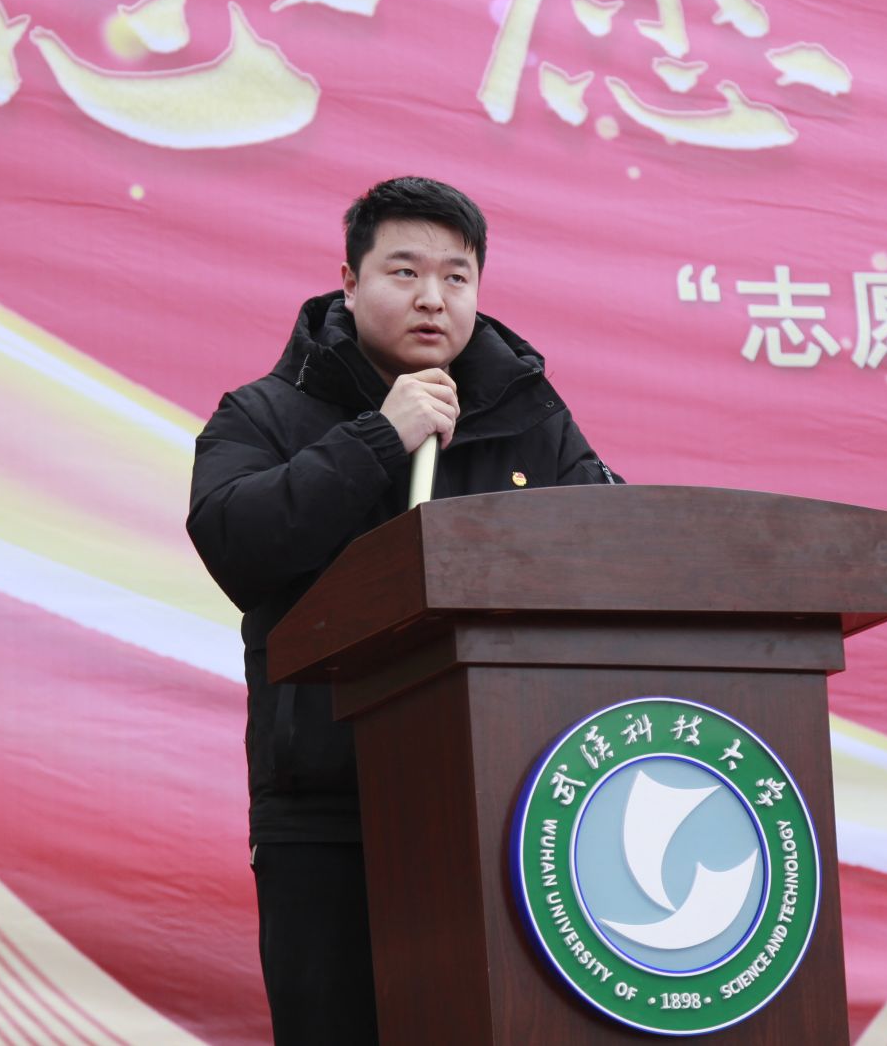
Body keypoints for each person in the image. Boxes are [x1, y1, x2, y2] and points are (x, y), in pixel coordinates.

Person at [186, 176, 618, 1043]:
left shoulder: (530, 417)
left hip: (508, 810)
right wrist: (380, 436)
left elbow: (616, 549)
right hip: (328, 810)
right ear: (349, 282)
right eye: (406, 271)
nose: (433, 297)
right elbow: (234, 539)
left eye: (457, 277)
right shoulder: (264, 412)